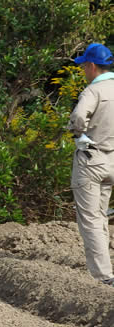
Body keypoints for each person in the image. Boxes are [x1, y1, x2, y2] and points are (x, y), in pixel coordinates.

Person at [68, 43, 114, 287]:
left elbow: (78, 119)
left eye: (85, 66)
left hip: (92, 158)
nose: (84, 70)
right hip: (112, 160)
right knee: (101, 216)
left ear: (92, 66)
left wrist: (78, 132)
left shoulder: (92, 91)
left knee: (90, 219)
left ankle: (103, 277)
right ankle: (107, 271)